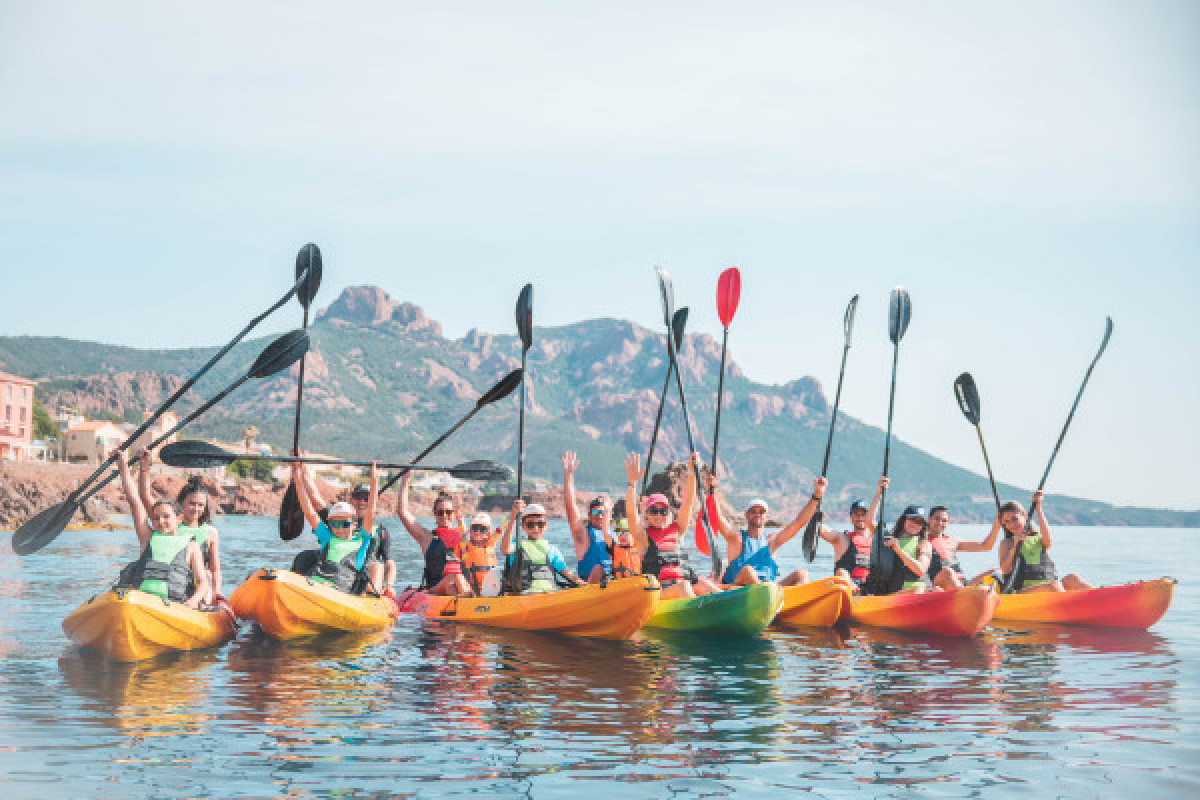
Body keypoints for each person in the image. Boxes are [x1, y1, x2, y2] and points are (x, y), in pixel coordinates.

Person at [113, 449, 210, 608]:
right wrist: (123, 467)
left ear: (179, 518)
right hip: (143, 603)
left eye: (166, 516)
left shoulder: (191, 546)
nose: (160, 521)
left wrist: (192, 602)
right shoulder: (147, 538)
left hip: (175, 606)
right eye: (156, 517)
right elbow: (135, 502)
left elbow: (202, 582)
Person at [623, 451, 722, 599]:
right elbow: (631, 514)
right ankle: (698, 614)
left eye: (663, 511)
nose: (658, 515)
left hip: (683, 586)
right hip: (658, 592)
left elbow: (688, 503)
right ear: (647, 515)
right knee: (684, 586)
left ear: (668, 513)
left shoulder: (678, 528)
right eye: (654, 511)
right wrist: (632, 483)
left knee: (705, 585)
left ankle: (733, 604)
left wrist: (692, 472)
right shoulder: (642, 536)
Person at [296, 463, 396, 596]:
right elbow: (309, 511)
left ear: (354, 524)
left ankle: (372, 594)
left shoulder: (363, 540)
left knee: (377, 566)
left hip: (342, 590)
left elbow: (370, 512)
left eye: (345, 524)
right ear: (330, 525)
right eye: (335, 524)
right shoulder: (327, 537)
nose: (340, 528)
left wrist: (374, 480)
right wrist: (297, 474)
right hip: (316, 584)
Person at [707, 474, 826, 586]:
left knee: (802, 574)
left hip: (769, 592)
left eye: (761, 512)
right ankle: (767, 597)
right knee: (748, 571)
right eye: (753, 511)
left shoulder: (772, 541)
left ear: (767, 517)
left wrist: (817, 496)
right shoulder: (737, 538)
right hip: (738, 591)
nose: (757, 514)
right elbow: (717, 518)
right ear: (746, 515)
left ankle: (797, 605)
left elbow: (798, 523)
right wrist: (713, 491)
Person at [137, 449, 223, 604]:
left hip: (199, 586)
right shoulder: (168, 523)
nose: (196, 509)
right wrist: (144, 468)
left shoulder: (210, 532)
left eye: (200, 505)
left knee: (207, 575)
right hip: (171, 582)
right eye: (191, 503)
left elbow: (215, 569)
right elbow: (145, 497)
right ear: (181, 502)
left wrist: (217, 594)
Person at [996, 492, 1092, 593]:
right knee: (1053, 585)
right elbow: (1005, 570)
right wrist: (1015, 546)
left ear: (1024, 515)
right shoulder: (1007, 543)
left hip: (1048, 587)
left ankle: (1101, 598)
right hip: (1020, 592)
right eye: (1006, 522)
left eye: (1014, 519)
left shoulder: (1039, 538)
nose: (1011, 524)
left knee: (1072, 578)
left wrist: (1038, 507)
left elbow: (1048, 539)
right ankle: (1069, 606)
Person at [396, 474, 473, 596]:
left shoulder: (462, 535)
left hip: (458, 584)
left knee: (454, 583)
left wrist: (459, 513)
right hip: (435, 588)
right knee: (453, 577)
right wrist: (406, 480)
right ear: (435, 514)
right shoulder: (426, 537)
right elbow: (402, 512)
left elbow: (469, 538)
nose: (445, 516)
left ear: (454, 514)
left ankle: (468, 605)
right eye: (440, 512)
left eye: (449, 512)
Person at [499, 500, 585, 593]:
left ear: (546, 525)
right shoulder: (517, 545)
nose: (536, 528)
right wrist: (513, 518)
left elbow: (569, 575)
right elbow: (505, 549)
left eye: (540, 524)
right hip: (523, 596)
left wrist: (586, 585)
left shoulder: (552, 550)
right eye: (530, 524)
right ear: (523, 526)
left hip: (548, 595)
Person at [818, 476, 887, 591]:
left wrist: (879, 493)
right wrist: (818, 496)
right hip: (848, 587)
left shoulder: (877, 540)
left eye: (863, 514)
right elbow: (818, 528)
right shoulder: (842, 538)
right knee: (841, 573)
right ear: (851, 517)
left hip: (870, 588)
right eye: (856, 514)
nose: (860, 518)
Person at [561, 451, 613, 583]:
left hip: (614, 583)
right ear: (589, 516)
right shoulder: (583, 535)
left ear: (609, 515)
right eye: (596, 513)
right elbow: (571, 509)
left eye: (603, 513)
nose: (600, 516)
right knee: (598, 569)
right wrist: (568, 476)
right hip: (591, 584)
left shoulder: (616, 535)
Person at [927, 505, 1002, 589]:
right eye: (937, 519)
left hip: (962, 584)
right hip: (938, 584)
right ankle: (965, 593)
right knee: (947, 571)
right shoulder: (922, 541)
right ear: (929, 519)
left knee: (996, 571)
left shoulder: (952, 542)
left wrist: (996, 526)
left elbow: (986, 546)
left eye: (944, 521)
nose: (940, 523)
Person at [870, 505, 933, 595]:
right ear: (904, 519)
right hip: (897, 592)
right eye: (912, 519)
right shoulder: (888, 539)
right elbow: (869, 521)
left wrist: (898, 550)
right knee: (917, 591)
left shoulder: (924, 544)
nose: (915, 524)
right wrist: (879, 493)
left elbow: (920, 570)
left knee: (936, 589)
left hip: (923, 590)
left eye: (920, 522)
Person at [461, 512, 501, 596]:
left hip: (490, 588)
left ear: (488, 533)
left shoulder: (491, 544)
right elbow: (461, 527)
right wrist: (458, 513)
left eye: (482, 529)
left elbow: (502, 528)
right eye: (475, 528)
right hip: (471, 588)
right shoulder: (465, 546)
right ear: (470, 531)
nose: (478, 532)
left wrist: (513, 516)